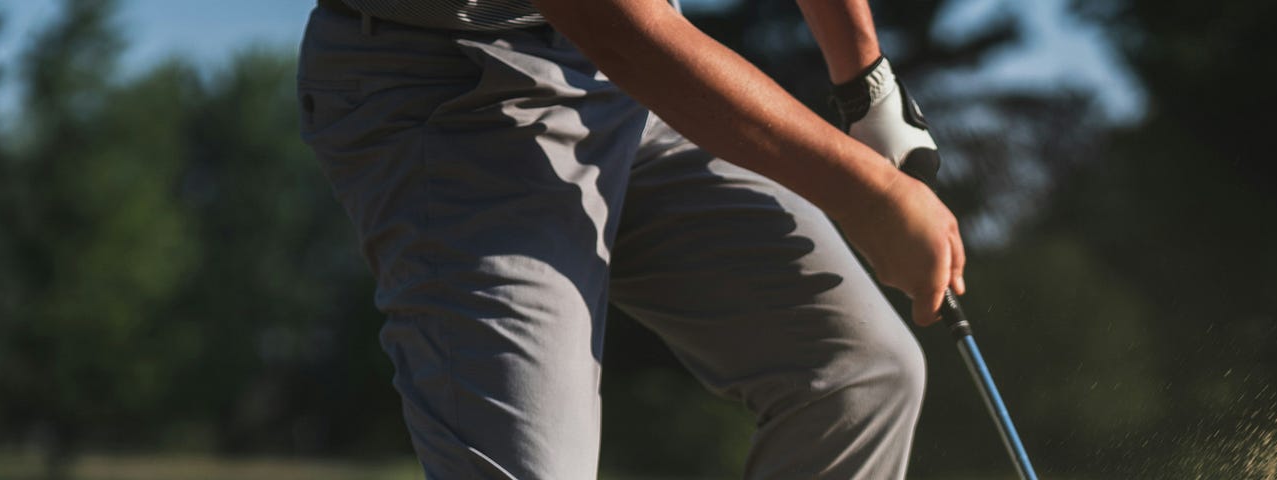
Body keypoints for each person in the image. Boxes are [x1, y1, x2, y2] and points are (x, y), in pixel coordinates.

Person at [296, 0, 964, 477]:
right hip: (456, 90)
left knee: (860, 377)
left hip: (633, 80)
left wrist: (866, 86)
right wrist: (868, 197)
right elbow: (610, 21)